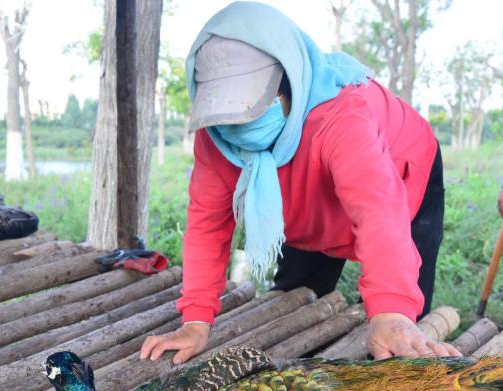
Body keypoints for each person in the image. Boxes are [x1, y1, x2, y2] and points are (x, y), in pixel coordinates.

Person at [140, 1, 461, 365]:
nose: (237, 127)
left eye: (253, 107)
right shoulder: (216, 138)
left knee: (402, 334)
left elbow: (379, 212)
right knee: (295, 303)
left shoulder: (341, 116)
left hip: (403, 173)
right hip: (304, 197)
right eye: (228, 114)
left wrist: (390, 311)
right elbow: (206, 225)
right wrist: (196, 320)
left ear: (289, 84)